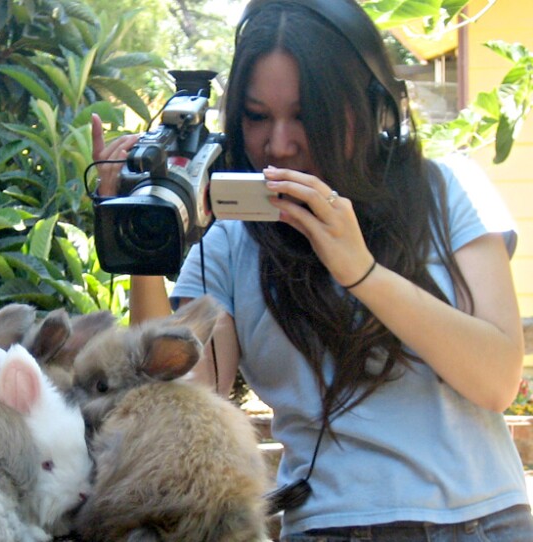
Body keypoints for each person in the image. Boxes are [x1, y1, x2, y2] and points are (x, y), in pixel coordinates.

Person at [90, 0, 533, 540]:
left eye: (305, 115)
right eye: (257, 117)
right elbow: (182, 396)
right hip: (331, 529)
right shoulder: (230, 239)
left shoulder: (444, 190)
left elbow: (497, 381)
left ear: (371, 107)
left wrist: (362, 272)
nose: (279, 144)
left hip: (485, 522)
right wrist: (144, 237)